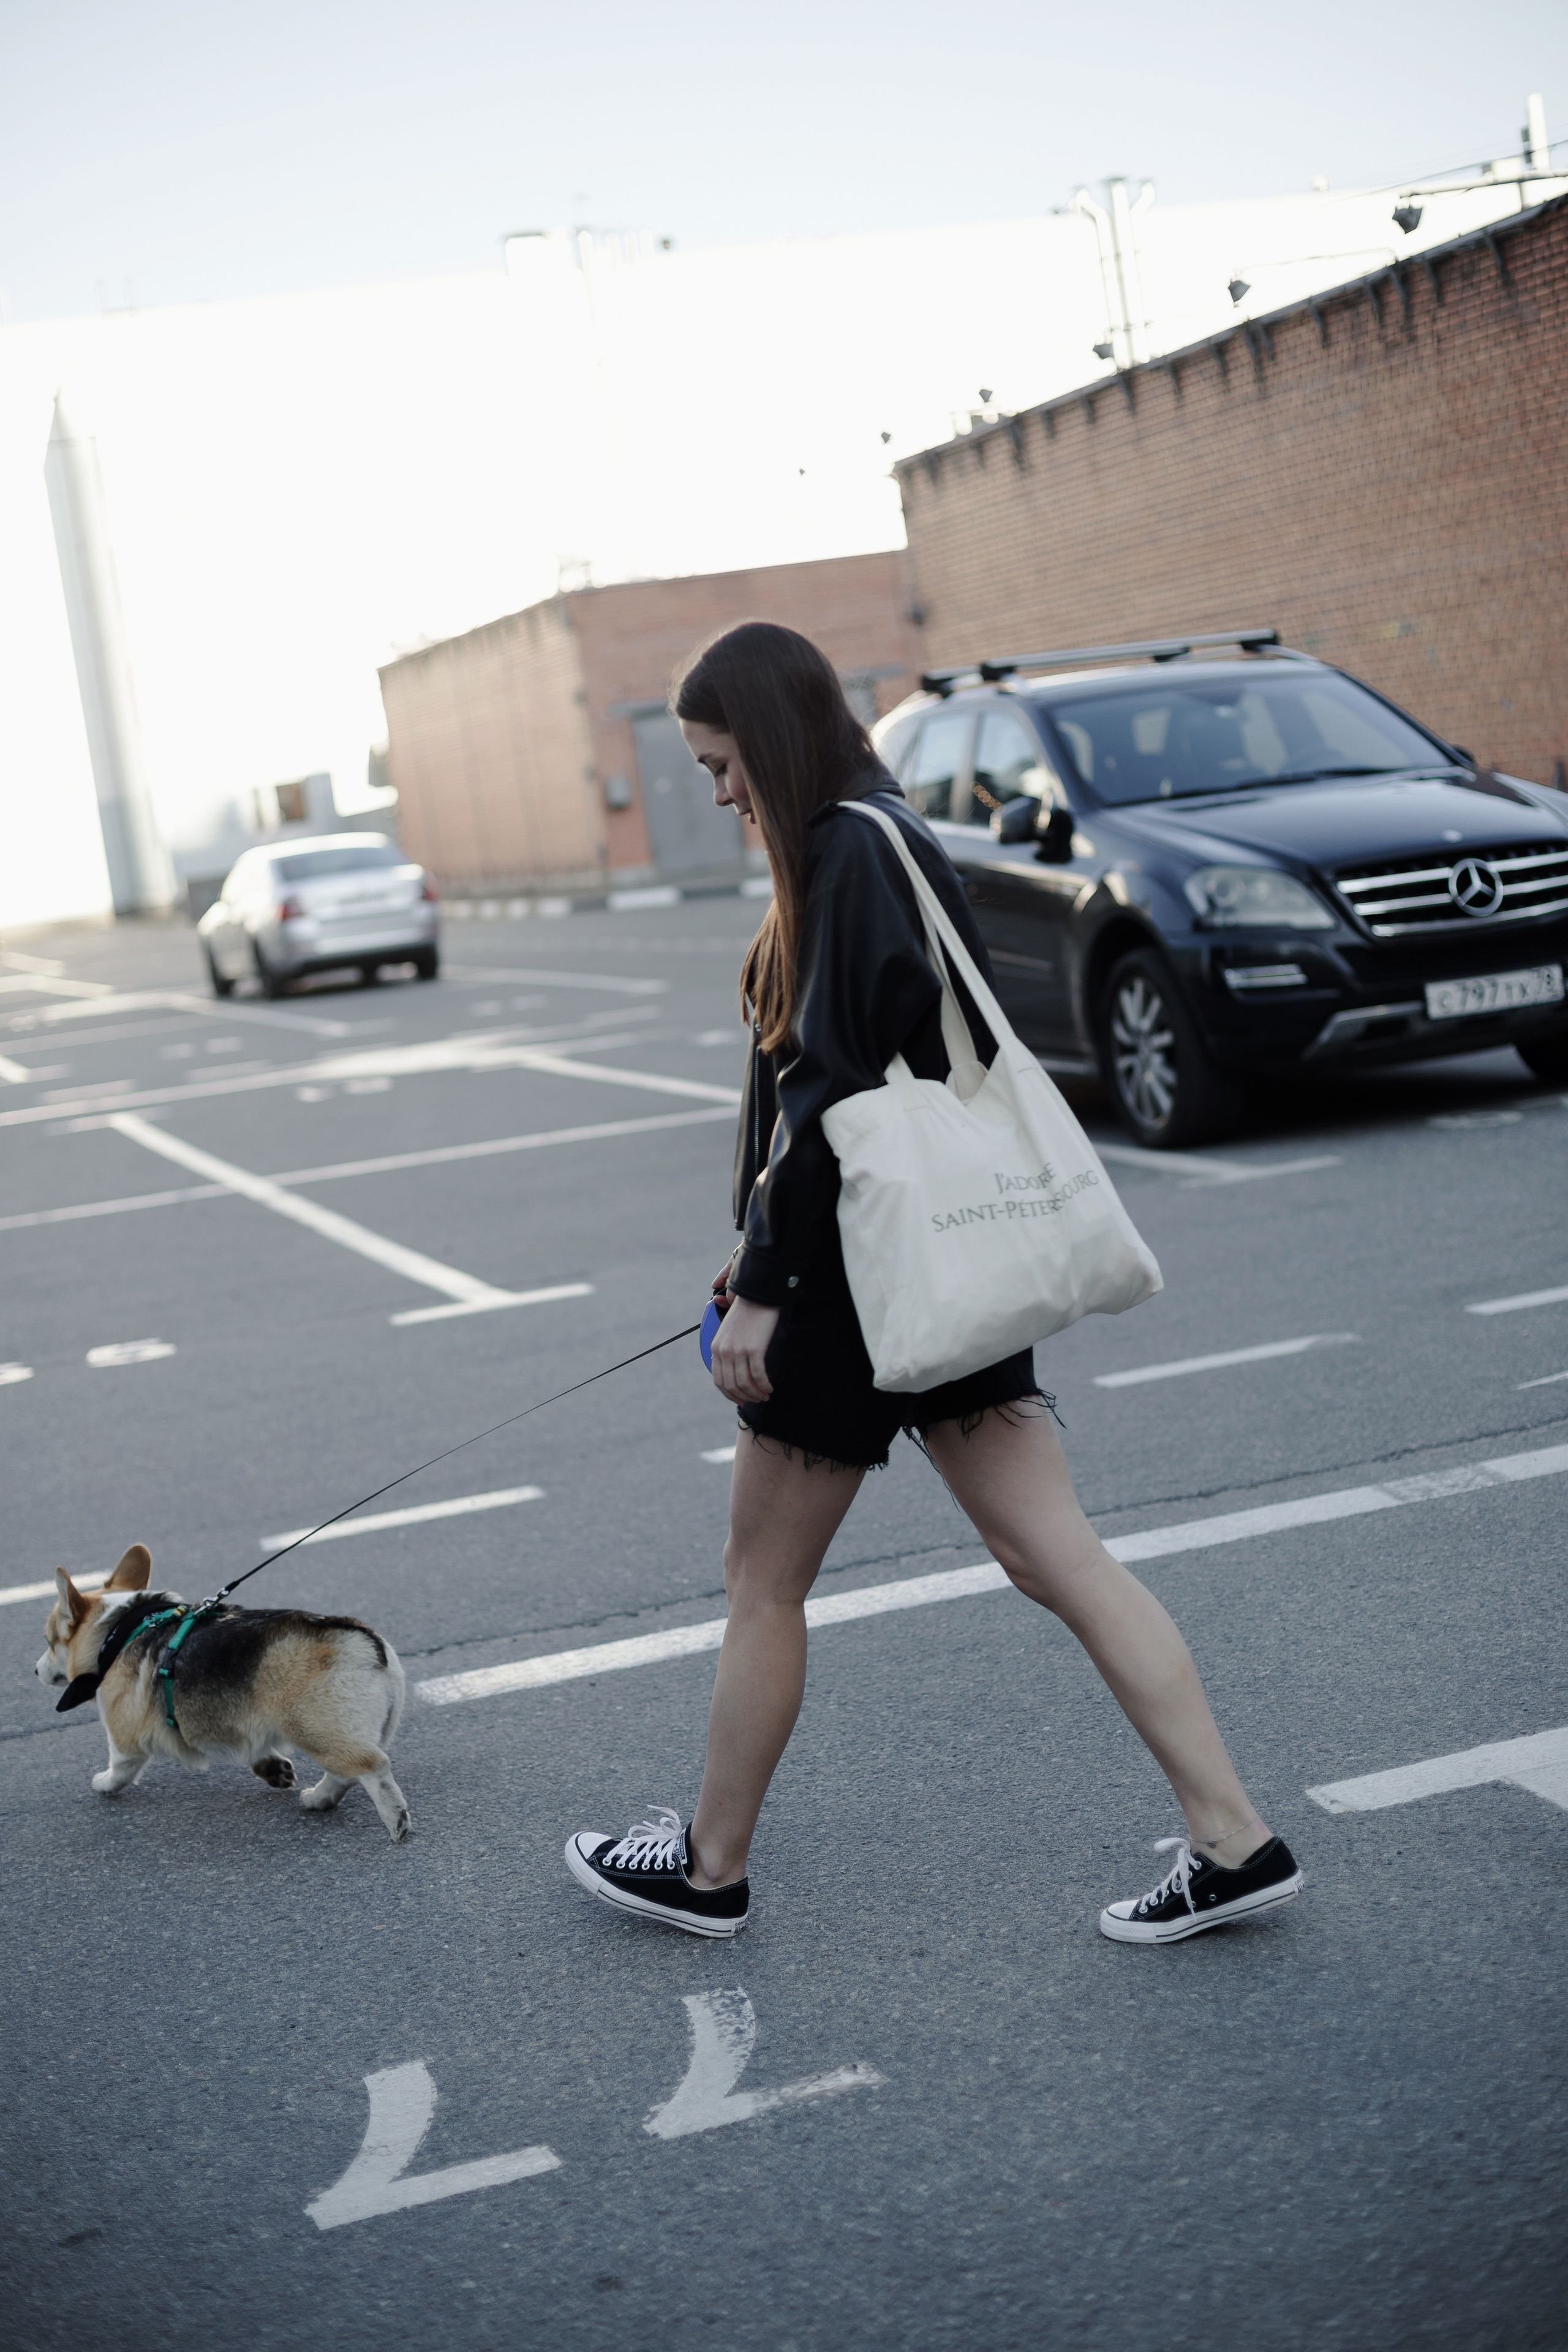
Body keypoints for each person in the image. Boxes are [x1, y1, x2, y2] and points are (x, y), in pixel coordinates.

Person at [565, 622, 1302, 1946]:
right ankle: (1231, 1837)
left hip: (858, 1283)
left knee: (760, 1581)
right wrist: (761, 1245)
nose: (719, 792)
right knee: (1053, 1553)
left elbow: (832, 1086)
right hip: (936, 1261)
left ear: (773, 740)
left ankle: (709, 1869)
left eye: (724, 763)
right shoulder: (882, 834)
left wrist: (769, 1287)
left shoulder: (847, 849)